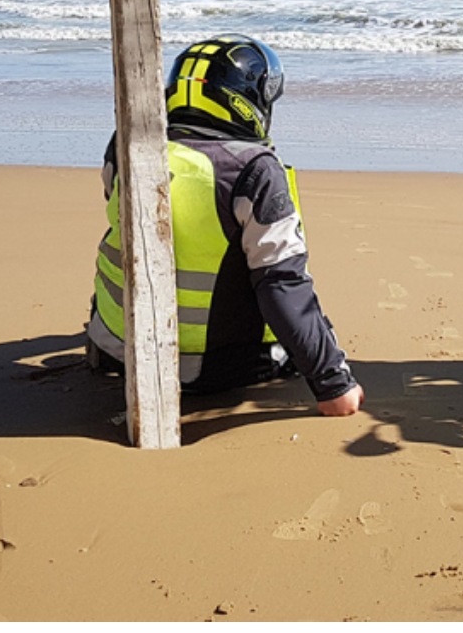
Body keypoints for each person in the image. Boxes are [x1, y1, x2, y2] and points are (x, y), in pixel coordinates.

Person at [86, 35, 364, 416]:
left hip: (117, 348)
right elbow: (282, 284)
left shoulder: (125, 145)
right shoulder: (254, 170)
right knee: (301, 307)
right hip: (208, 369)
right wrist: (333, 383)